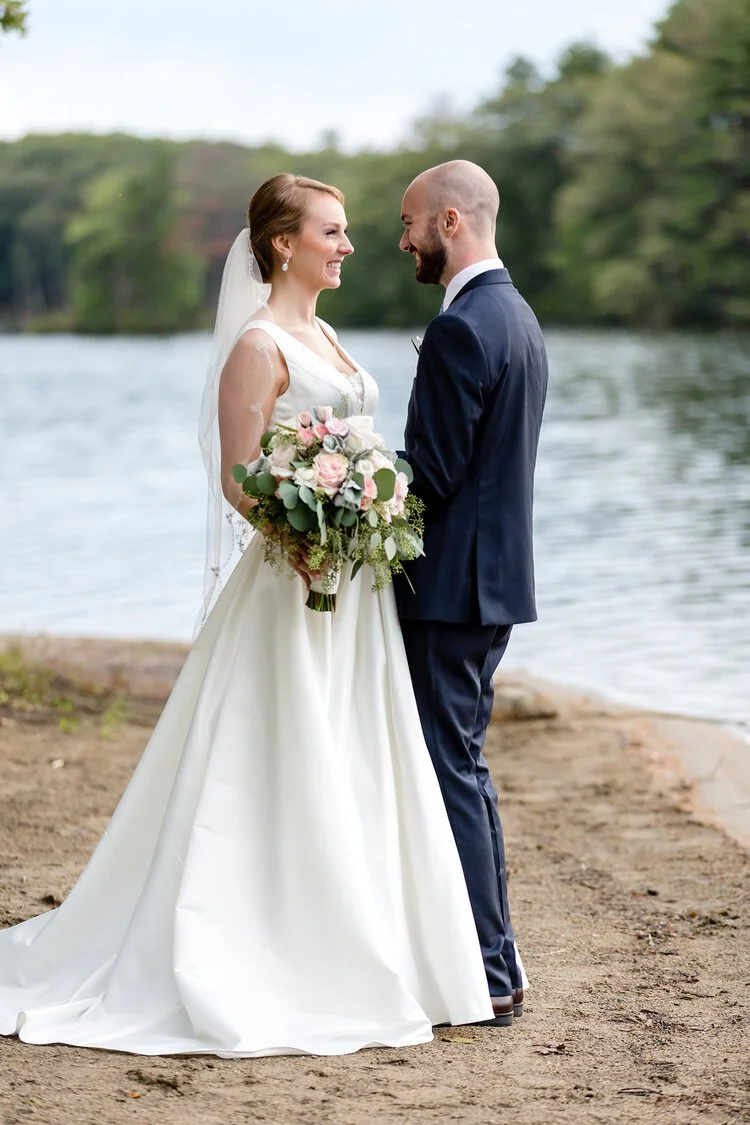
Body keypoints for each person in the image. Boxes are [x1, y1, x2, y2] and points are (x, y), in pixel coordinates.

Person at [0, 173, 515, 1059]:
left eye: (348, 231)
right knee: (286, 754)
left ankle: (388, 944)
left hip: (358, 592)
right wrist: (305, 533)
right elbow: (239, 476)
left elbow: (358, 450)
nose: (349, 245)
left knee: (359, 756)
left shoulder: (326, 335)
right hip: (297, 580)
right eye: (332, 231)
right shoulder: (257, 343)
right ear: (284, 244)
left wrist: (369, 509)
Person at [395, 161, 548, 1025]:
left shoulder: (462, 326)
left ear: (450, 222)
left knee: (451, 769)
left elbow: (434, 474)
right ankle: (498, 962)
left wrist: (352, 477)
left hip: (450, 590)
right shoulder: (516, 314)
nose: (403, 241)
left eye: (410, 222)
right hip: (491, 586)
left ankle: (489, 970)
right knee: (465, 766)